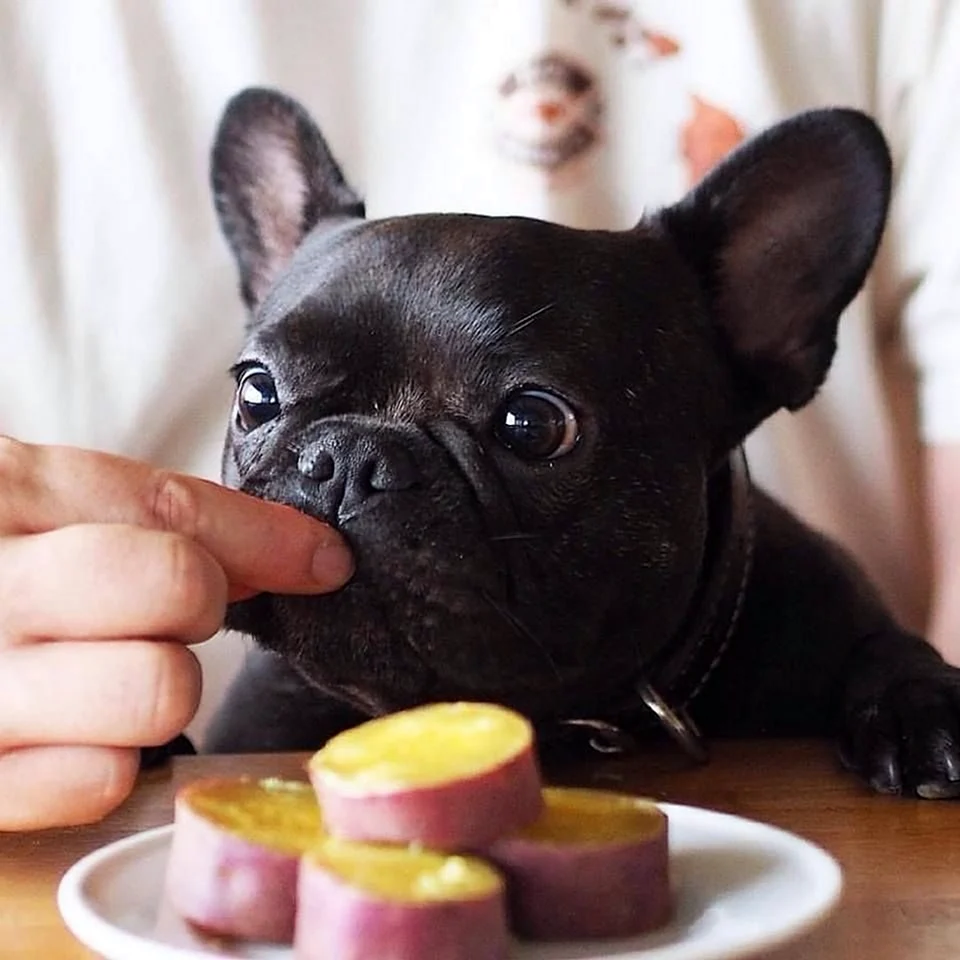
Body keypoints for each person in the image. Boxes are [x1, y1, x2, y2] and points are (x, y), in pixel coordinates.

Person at [2, 0, 959, 829]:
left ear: (756, 346)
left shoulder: (807, 631)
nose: (346, 483)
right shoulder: (298, 697)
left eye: (528, 429)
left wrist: (901, 693)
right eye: (265, 398)